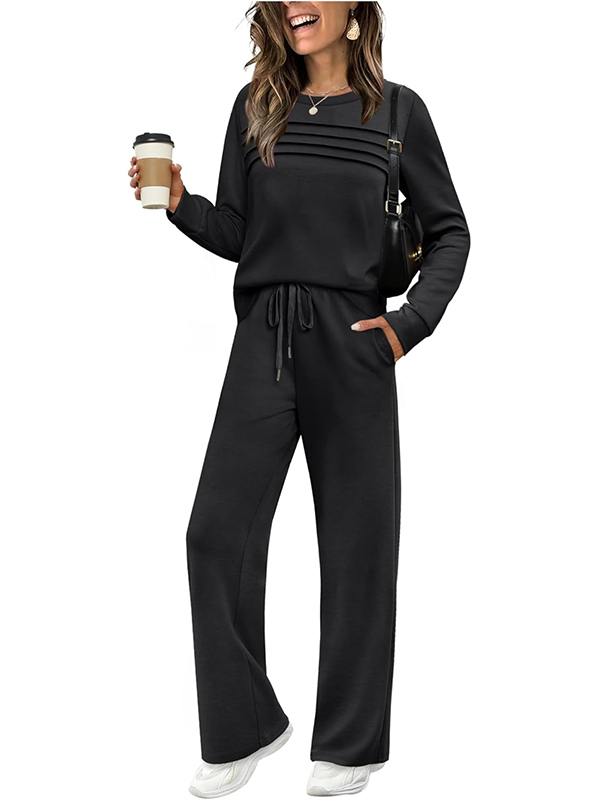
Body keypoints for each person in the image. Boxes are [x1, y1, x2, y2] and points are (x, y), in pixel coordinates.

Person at [128, 2, 470, 796]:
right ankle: (243, 725)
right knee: (214, 534)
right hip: (263, 341)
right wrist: (178, 204)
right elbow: (240, 232)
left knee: (357, 546)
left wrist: (407, 325)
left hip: (354, 341)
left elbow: (450, 231)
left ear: (355, 11)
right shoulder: (256, 107)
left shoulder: (399, 113)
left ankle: (351, 745)